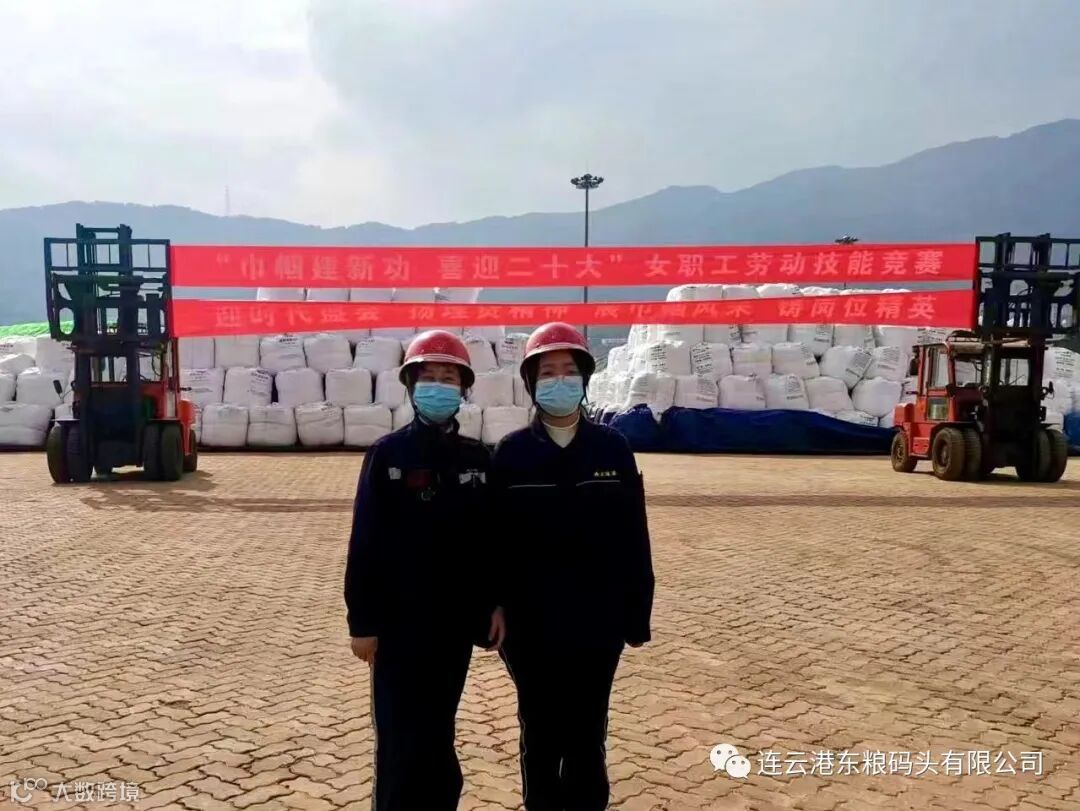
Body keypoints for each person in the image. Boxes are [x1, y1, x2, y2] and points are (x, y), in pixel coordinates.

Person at [492, 322, 655, 811]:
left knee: (587, 731)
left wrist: (636, 615)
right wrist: (493, 605)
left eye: (569, 371)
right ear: (531, 382)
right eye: (548, 372)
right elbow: (491, 540)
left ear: (584, 379)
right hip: (530, 624)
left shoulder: (612, 448)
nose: (559, 381)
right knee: (540, 731)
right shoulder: (511, 453)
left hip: (597, 620)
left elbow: (634, 536)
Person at [345, 329, 506, 811]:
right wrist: (362, 622)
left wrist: (494, 603)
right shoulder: (388, 455)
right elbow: (366, 541)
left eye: (449, 378)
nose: (438, 387)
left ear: (464, 389)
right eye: (429, 378)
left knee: (438, 733)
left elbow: (490, 541)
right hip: (397, 627)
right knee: (399, 740)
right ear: (412, 387)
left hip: (452, 626)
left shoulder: (477, 458)